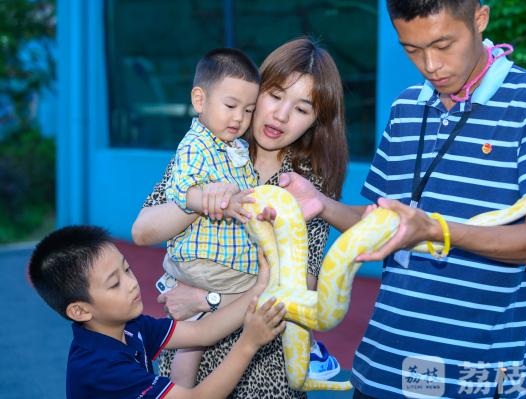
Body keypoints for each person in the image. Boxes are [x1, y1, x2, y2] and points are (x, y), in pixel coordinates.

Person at [277, 1, 526, 398]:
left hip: (470, 384)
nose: (430, 65)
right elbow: (382, 223)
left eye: (443, 45)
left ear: (480, 18)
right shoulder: (406, 106)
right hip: (378, 374)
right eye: (412, 50)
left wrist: (436, 230)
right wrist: (321, 204)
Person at [131, 37, 348, 398]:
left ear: (315, 121)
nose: (280, 115)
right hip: (189, 364)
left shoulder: (306, 186)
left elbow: (299, 291)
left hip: (265, 374)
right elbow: (142, 231)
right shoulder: (208, 147)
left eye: (301, 109)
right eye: (275, 95)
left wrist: (209, 300)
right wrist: (204, 200)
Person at [28, 225, 286, 399]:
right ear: (80, 310)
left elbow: (202, 332)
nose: (131, 284)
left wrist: (258, 287)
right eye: (114, 283)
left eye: (126, 269)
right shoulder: (101, 368)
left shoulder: (130, 325)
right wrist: (248, 343)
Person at [160, 48, 263, 388]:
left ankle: (181, 391)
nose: (239, 118)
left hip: (215, 259)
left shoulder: (232, 146)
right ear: (200, 99)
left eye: (248, 110)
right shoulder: (196, 144)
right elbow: (181, 192)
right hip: (206, 260)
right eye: (231, 106)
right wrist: (212, 200)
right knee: (266, 285)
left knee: (192, 342)